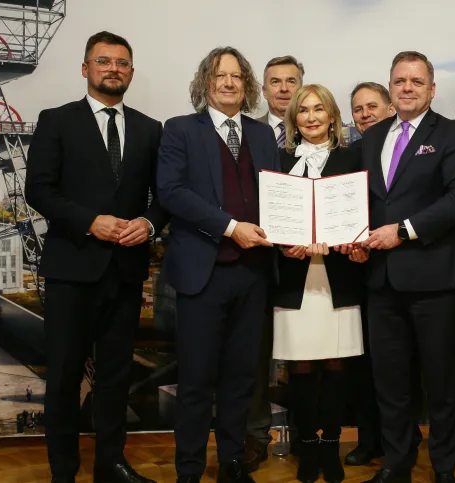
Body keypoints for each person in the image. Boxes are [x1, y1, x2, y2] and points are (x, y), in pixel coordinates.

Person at [24, 31, 168, 483]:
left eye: (123, 63)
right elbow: (38, 190)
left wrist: (148, 223)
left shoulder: (150, 128)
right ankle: (63, 472)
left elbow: (164, 196)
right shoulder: (56, 120)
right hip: (72, 268)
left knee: (115, 376)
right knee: (65, 377)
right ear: (85, 68)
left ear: (131, 71)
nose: (114, 69)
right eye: (103, 61)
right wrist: (91, 221)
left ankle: (112, 465)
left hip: (125, 272)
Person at [157, 46, 278, 483]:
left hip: (253, 275)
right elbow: (170, 193)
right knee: (195, 382)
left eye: (236, 76)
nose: (228, 83)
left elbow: (278, 198)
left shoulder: (264, 137)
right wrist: (231, 227)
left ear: (245, 85)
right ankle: (188, 470)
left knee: (241, 379)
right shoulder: (180, 130)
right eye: (219, 75)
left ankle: (231, 462)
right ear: (205, 83)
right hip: (201, 275)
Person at [359, 51, 455, 483]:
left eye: (416, 81)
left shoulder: (452, 133)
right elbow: (365, 205)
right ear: (391, 87)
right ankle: (397, 463)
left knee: (440, 384)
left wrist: (403, 230)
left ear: (431, 88)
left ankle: (444, 467)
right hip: (381, 282)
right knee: (390, 384)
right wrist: (356, 241)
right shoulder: (370, 139)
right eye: (399, 81)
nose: (407, 88)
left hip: (434, 281)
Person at [272, 84, 369, 483]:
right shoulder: (278, 161)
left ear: (333, 116)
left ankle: (330, 446)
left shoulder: (352, 158)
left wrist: (355, 241)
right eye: (303, 110)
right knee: (302, 368)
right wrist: (283, 245)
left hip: (339, 277)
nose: (311, 117)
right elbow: (269, 215)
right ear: (293, 118)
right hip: (295, 280)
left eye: (319, 109)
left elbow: (365, 214)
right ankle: (306, 448)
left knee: (336, 365)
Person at [345, 82, 422, 468]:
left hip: (408, 270)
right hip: (360, 270)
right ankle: (370, 438)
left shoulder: (408, 149)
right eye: (357, 109)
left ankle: (405, 443)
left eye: (372, 106)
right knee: (367, 365)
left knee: (402, 368)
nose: (364, 114)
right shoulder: (353, 152)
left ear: (391, 106)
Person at [246, 53, 304, 472]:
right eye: (275, 82)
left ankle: (308, 433)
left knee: (307, 356)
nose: (284, 88)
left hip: (311, 265)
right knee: (254, 356)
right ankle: (254, 436)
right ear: (263, 90)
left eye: (291, 81)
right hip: (259, 262)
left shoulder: (325, 135)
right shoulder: (246, 135)